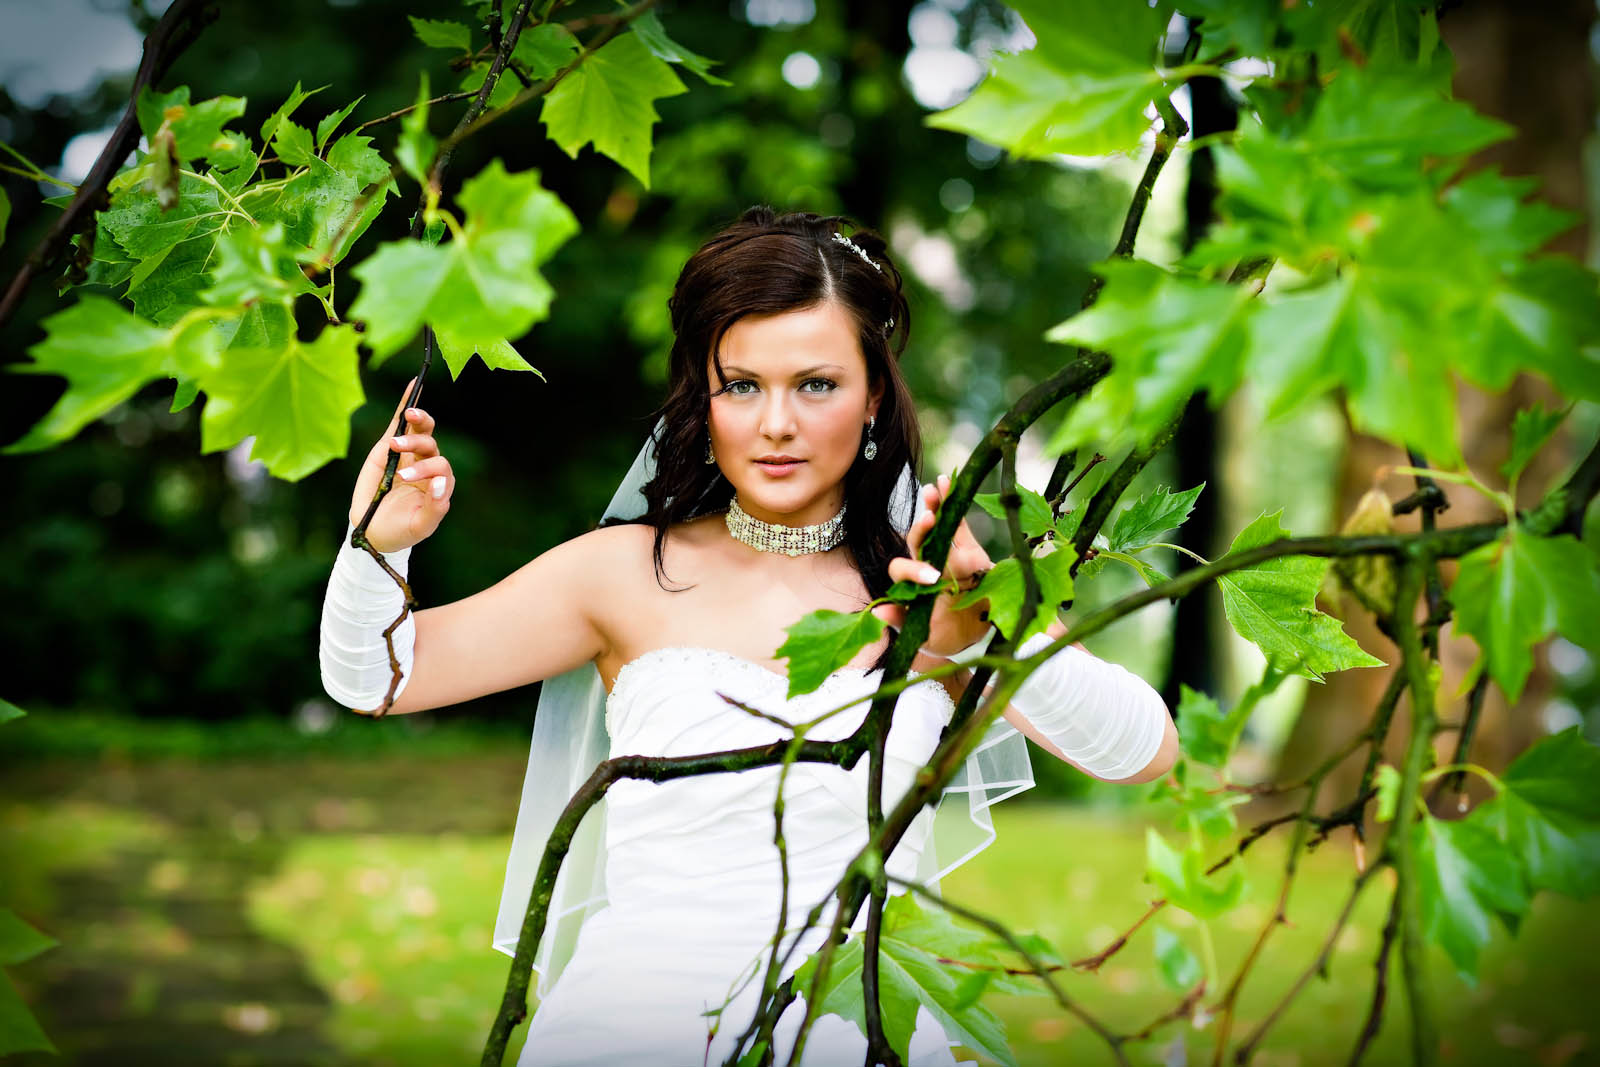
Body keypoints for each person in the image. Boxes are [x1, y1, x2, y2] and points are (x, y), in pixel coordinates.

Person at [318, 208, 1178, 1066]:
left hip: (857, 1031)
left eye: (816, 384)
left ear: (874, 395)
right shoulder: (621, 574)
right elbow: (376, 678)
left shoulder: (929, 588)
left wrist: (993, 623)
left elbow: (1144, 751)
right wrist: (376, 543)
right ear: (705, 397)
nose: (776, 423)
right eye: (741, 386)